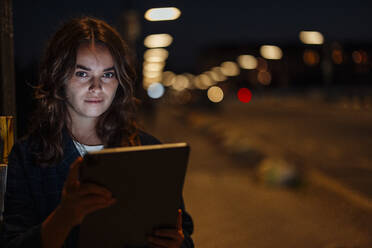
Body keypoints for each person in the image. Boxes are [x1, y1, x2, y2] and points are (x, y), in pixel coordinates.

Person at [0, 17, 194, 248]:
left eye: (108, 74)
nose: (96, 86)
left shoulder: (148, 149)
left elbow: (184, 233)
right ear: (59, 76)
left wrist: (178, 243)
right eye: (82, 73)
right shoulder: (27, 156)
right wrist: (65, 216)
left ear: (119, 81)